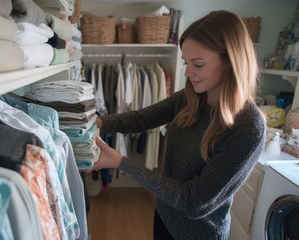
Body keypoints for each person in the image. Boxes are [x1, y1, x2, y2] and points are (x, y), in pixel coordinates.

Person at [91, 10, 266, 240]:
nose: (188, 72)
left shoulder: (248, 127)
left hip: (198, 234)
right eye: (186, 62)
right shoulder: (191, 97)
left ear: (231, 61)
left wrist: (121, 162)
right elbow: (142, 118)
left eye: (198, 64)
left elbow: (194, 202)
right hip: (164, 216)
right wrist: (100, 122)